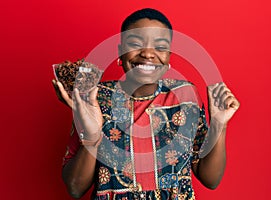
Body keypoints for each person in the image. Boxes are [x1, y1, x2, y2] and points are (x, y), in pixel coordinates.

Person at [52, 8, 240, 200]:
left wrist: (219, 124)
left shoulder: (185, 96)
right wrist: (92, 136)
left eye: (160, 46)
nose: (148, 53)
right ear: (120, 53)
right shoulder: (94, 99)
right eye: (135, 43)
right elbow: (75, 188)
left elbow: (211, 179)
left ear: (168, 56)